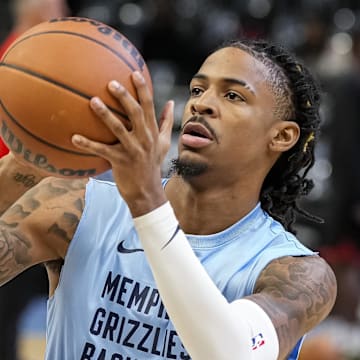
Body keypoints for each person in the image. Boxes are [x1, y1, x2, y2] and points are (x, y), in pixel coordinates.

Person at [0, 38, 337, 359]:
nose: (201, 103)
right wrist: (24, 163)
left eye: (233, 95)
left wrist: (147, 202)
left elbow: (232, 354)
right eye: (197, 89)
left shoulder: (297, 273)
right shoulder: (78, 207)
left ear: (281, 136)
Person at [0, 1, 70, 359]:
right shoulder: (19, 67)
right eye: (57, 7)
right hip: (14, 208)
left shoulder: (58, 67)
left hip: (58, 207)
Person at [0, 0, 70, 158]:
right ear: (43, 11)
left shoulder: (10, 50)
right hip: (18, 162)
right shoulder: (29, 59)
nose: (65, 12)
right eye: (58, 7)